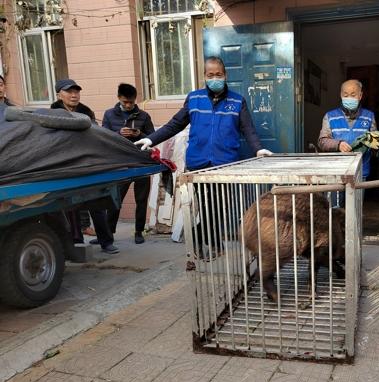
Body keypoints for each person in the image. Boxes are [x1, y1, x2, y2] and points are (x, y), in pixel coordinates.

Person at [136, 56, 269, 259]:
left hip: (225, 165)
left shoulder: (237, 101)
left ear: (225, 75)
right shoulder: (194, 99)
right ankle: (213, 243)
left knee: (220, 208)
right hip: (199, 165)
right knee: (208, 207)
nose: (215, 78)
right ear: (204, 76)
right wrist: (151, 139)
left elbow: (248, 129)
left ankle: (199, 238)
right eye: (210, 75)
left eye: (219, 74)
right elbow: (174, 125)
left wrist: (258, 149)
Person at [51, 79, 119, 254]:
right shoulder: (52, 113)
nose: (74, 95)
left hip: (87, 163)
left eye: (76, 92)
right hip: (66, 165)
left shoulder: (86, 112)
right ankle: (75, 242)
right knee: (69, 206)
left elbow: (95, 134)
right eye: (69, 92)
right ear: (59, 94)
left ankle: (106, 241)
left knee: (96, 202)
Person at [103, 83, 155, 244]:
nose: (128, 105)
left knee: (141, 199)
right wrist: (118, 133)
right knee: (115, 198)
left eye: (131, 102)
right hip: (120, 163)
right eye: (125, 102)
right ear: (118, 98)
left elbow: (154, 137)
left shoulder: (143, 116)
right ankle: (108, 232)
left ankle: (139, 231)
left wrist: (140, 133)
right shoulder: (109, 114)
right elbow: (103, 135)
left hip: (141, 163)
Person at [318, 79, 377, 205]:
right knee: (333, 210)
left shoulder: (369, 116)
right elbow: (322, 141)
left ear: (360, 96)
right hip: (335, 172)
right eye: (345, 95)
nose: (349, 98)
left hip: (360, 172)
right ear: (340, 95)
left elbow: (375, 143)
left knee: (354, 211)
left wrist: (376, 144)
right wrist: (338, 144)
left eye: (353, 95)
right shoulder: (330, 116)